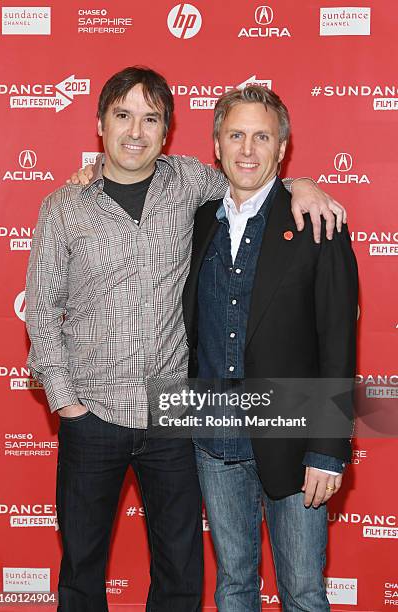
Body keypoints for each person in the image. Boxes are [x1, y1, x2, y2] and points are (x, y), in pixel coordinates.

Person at [25, 66, 346, 612]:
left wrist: (303, 183)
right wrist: (68, 402)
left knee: (181, 578)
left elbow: (254, 178)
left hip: (174, 418)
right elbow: (40, 309)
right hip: (93, 416)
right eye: (122, 116)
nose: (136, 131)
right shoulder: (63, 207)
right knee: (82, 572)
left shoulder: (190, 185)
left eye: (151, 119)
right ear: (100, 124)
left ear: (168, 130)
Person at [182, 85, 358, 611]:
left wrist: (328, 448)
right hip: (214, 441)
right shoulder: (198, 223)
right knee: (234, 584)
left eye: (262, 136)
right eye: (235, 135)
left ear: (282, 148)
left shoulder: (317, 225)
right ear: (216, 143)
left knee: (303, 590)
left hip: (296, 442)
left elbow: (338, 342)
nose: (247, 150)